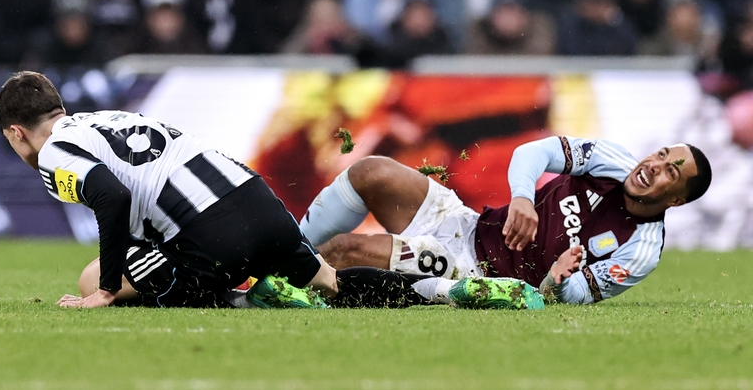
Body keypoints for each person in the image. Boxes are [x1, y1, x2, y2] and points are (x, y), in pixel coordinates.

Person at [0, 71, 545, 311]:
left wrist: (109, 287)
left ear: (16, 132)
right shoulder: (106, 118)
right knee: (330, 281)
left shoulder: (54, 152)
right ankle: (453, 292)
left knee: (90, 277)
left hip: (211, 237)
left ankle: (249, 295)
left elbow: (110, 197)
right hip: (257, 201)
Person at [299, 135, 712, 304]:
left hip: (471, 271)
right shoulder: (614, 160)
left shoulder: (640, 251)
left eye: (670, 172)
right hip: (467, 224)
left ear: (676, 200)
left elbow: (570, 297)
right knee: (372, 171)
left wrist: (558, 279)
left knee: (345, 251)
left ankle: (273, 286)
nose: (654, 166)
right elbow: (532, 153)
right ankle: (285, 247)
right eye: (661, 155)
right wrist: (522, 198)